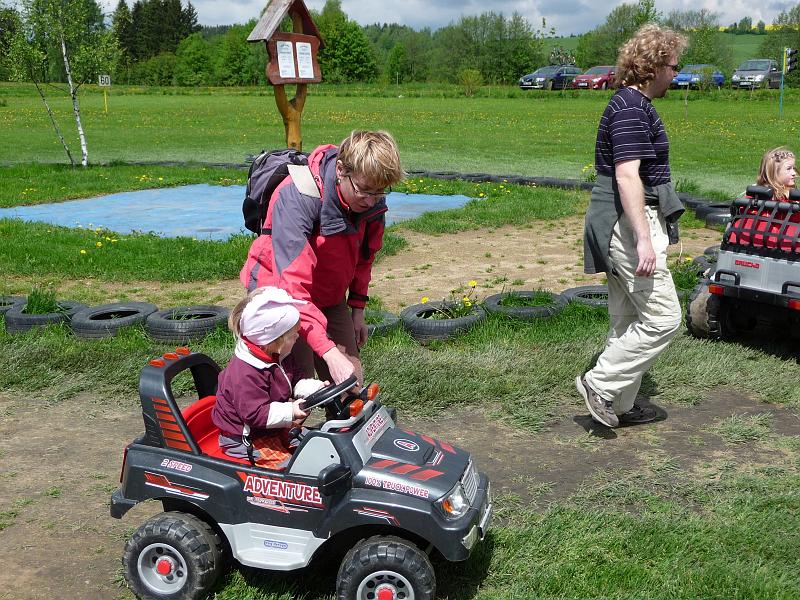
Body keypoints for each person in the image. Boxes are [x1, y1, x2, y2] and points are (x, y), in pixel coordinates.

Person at [578, 24, 688, 428]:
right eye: (673, 67)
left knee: (626, 319)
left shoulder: (633, 105)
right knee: (663, 317)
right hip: (626, 226)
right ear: (654, 65)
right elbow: (627, 176)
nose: (676, 75)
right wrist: (644, 239)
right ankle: (601, 384)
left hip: (623, 223)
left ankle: (618, 405)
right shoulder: (628, 108)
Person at [240, 130, 404, 386]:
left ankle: (340, 423)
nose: (372, 201)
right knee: (298, 384)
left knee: (351, 383)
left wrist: (357, 310)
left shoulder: (370, 202)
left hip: (328, 294)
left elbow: (364, 259)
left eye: (380, 192)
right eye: (365, 191)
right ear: (341, 170)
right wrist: (328, 353)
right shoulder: (297, 197)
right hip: (281, 298)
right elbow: (293, 291)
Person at [211, 286, 327, 469]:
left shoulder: (279, 356)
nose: (298, 337)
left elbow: (295, 379)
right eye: (292, 335)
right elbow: (255, 414)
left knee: (317, 445)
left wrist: (314, 388)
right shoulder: (245, 373)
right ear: (272, 340)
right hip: (244, 438)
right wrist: (291, 411)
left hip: (270, 428)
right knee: (291, 469)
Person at [728, 147, 799, 251]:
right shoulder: (786, 202)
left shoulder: (750, 199)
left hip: (741, 245)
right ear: (773, 173)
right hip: (780, 249)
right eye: (789, 169)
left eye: (794, 168)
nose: (794, 173)